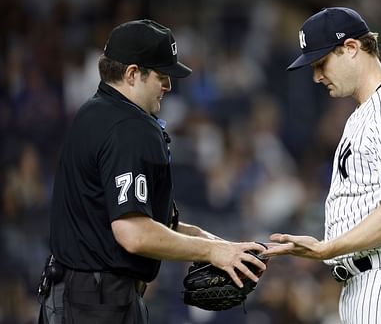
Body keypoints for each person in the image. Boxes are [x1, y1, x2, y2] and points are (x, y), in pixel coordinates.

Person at [38, 19, 267, 324]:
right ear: (132, 74)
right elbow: (133, 233)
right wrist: (212, 253)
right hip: (97, 303)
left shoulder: (95, 112)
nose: (169, 85)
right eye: (161, 75)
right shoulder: (130, 127)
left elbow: (148, 223)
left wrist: (221, 247)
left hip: (77, 295)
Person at [263, 7, 381, 323]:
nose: (316, 75)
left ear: (351, 48)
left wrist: (329, 248)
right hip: (372, 282)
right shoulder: (367, 111)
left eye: (321, 63)